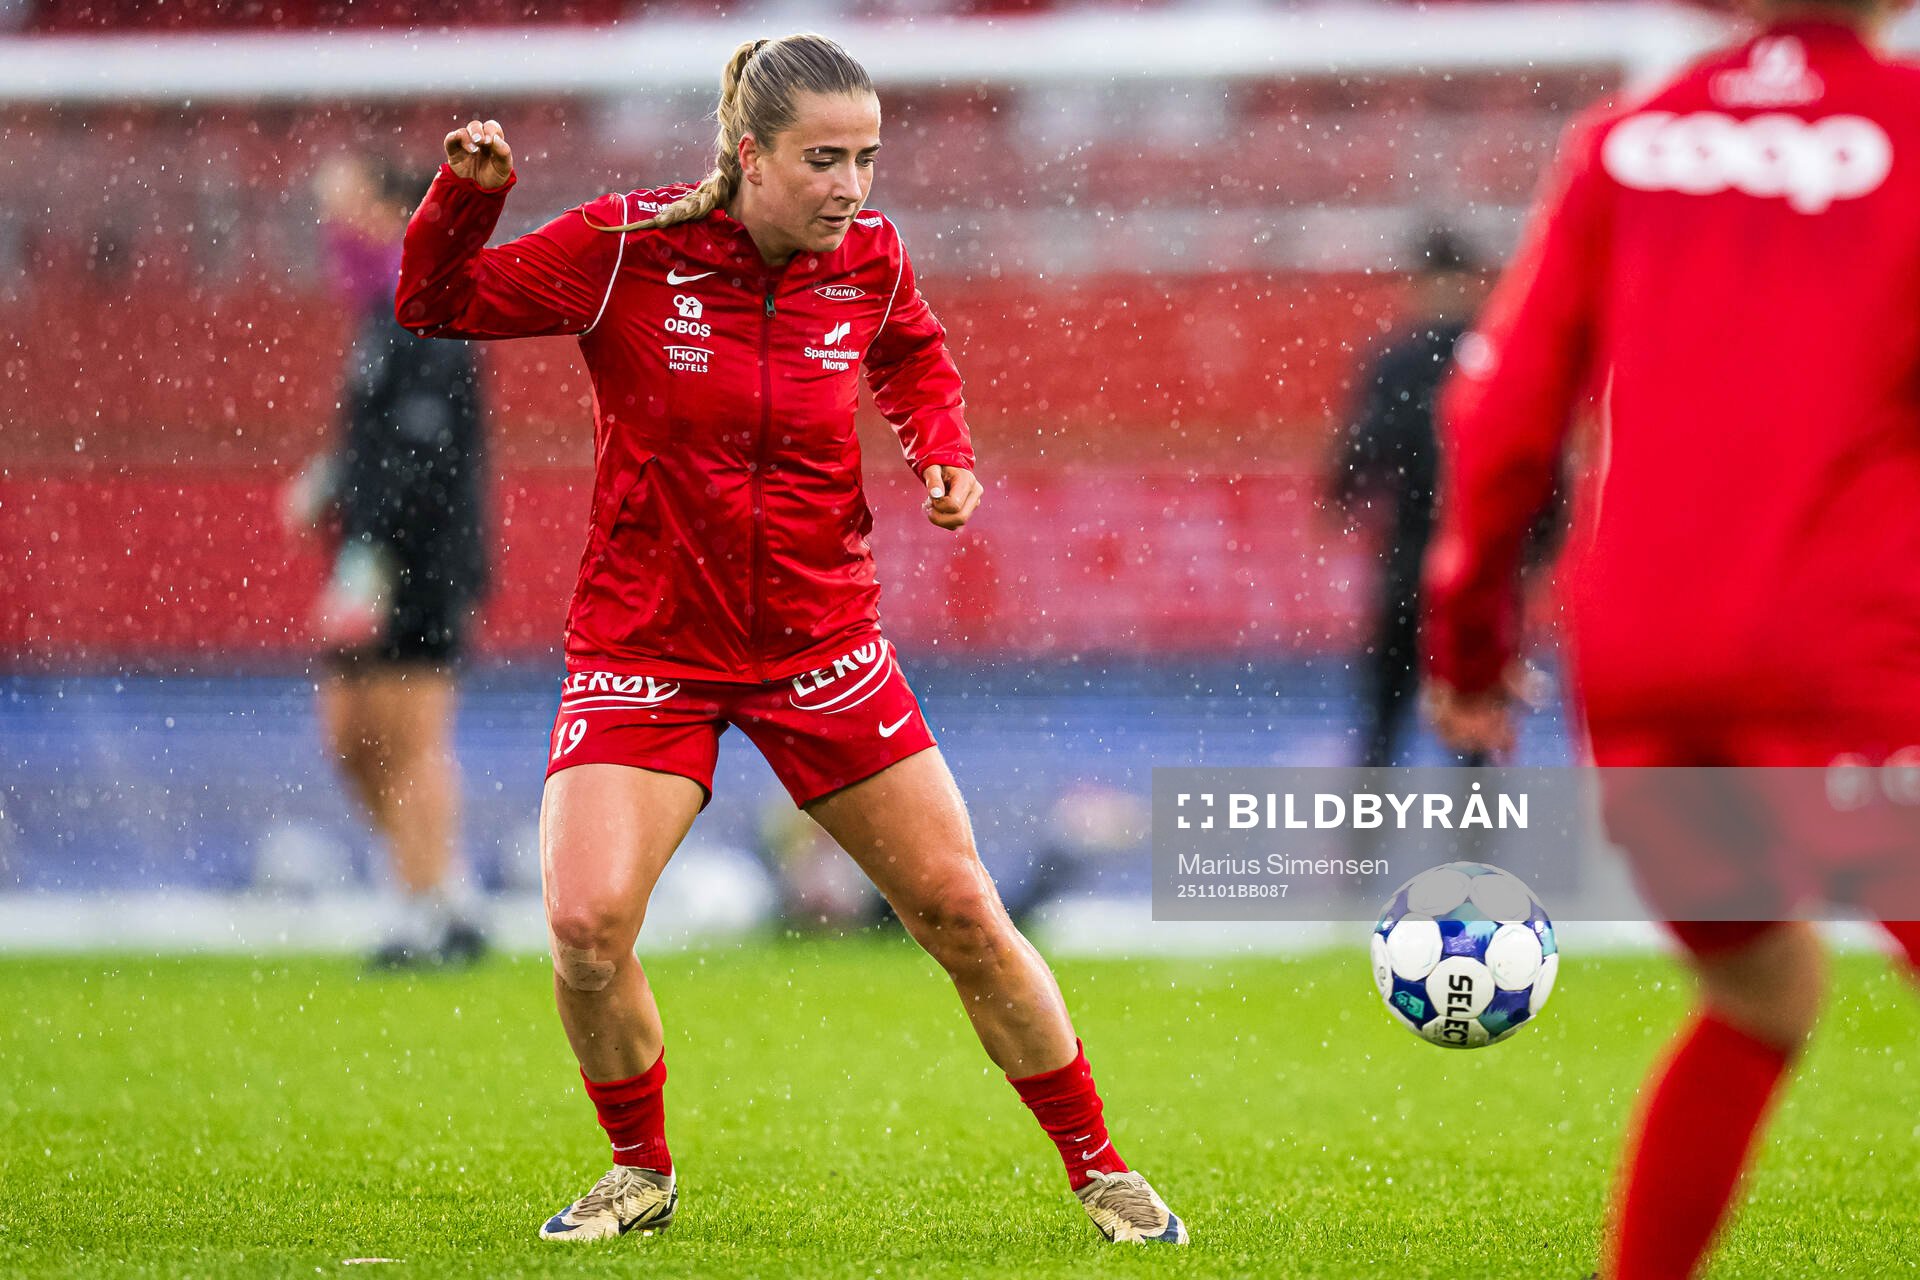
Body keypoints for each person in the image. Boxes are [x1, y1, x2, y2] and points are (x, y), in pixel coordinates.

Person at [394, 33, 1186, 1246]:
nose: (851, 188)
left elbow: (913, 350)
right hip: (647, 644)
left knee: (961, 911)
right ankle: (638, 1168)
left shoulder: (868, 258)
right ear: (748, 153)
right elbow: (433, 301)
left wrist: (942, 445)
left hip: (823, 644)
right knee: (585, 927)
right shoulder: (627, 248)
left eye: (867, 159)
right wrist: (470, 197)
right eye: (824, 159)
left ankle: (1100, 1165)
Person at [1420, 2, 1920, 1276]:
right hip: (1840, 652)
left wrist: (1470, 653)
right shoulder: (1907, 134)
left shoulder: (1625, 144)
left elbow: (1497, 422)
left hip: (1642, 667)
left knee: (1759, 993)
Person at [287, 154, 491, 969]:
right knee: (350, 739)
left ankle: (426, 910)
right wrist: (331, 480)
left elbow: (424, 457)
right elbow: (379, 445)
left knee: (408, 740)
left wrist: (374, 558)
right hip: (366, 560)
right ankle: (440, 889)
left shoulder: (430, 314)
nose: (334, 235)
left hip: (423, 563)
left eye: (348, 212)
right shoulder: (378, 318)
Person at [1332, 228, 1494, 769]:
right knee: (1472, 727)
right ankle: (1477, 845)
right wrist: (1533, 544)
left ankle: (1364, 845)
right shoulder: (1494, 355)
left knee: (1385, 717)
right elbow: (1534, 455)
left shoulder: (1397, 360)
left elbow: (1361, 450)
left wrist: (1340, 498)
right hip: (1477, 565)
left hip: (1410, 558)